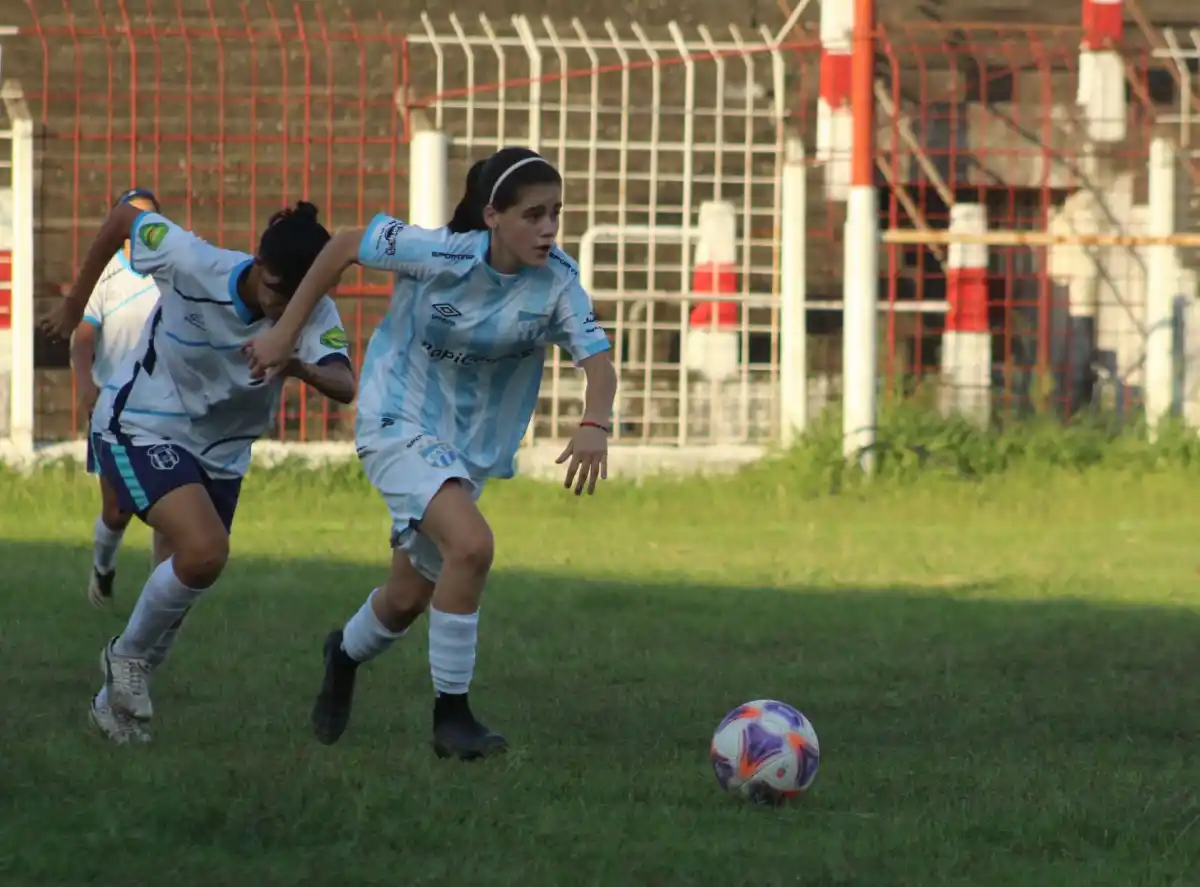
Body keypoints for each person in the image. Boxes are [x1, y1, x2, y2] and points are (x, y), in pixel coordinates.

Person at [243, 147, 618, 760]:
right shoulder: (439, 252)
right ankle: (453, 719)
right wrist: (284, 332)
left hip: (467, 451)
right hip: (395, 417)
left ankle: (343, 653)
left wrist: (595, 421)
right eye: (532, 214)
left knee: (408, 596)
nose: (548, 227)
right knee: (472, 545)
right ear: (492, 215)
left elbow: (599, 366)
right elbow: (341, 245)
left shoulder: (559, 284)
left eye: (556, 213)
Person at [39, 200, 358, 745]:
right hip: (144, 421)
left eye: (299, 298)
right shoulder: (191, 260)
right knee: (206, 549)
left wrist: (296, 363)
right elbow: (121, 217)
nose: (283, 308)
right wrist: (73, 309)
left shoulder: (312, 312)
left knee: (180, 590)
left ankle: (108, 709)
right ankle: (124, 657)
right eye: (277, 290)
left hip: (223, 453)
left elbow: (346, 383)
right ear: (259, 263)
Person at [72, 187, 171, 608]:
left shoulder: (172, 271)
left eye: (147, 218)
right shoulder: (106, 275)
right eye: (129, 218)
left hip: (164, 408)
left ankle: (161, 600)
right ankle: (103, 569)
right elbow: (83, 334)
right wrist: (85, 385)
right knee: (117, 511)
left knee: (169, 504)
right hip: (112, 410)